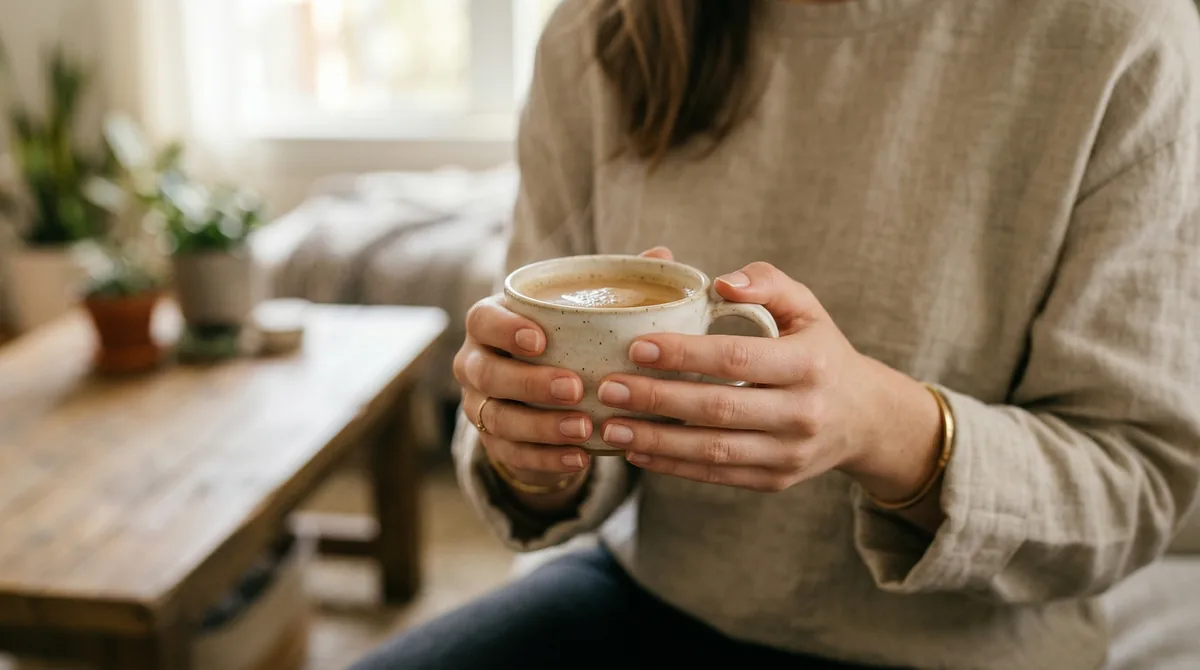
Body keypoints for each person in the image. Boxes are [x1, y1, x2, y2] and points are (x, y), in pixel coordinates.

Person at [353, 0, 1200, 668]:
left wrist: (881, 426)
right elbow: (537, 410)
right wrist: (527, 447)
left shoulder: (1121, 37)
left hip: (970, 652)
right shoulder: (601, 31)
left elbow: (1140, 485)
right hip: (650, 600)